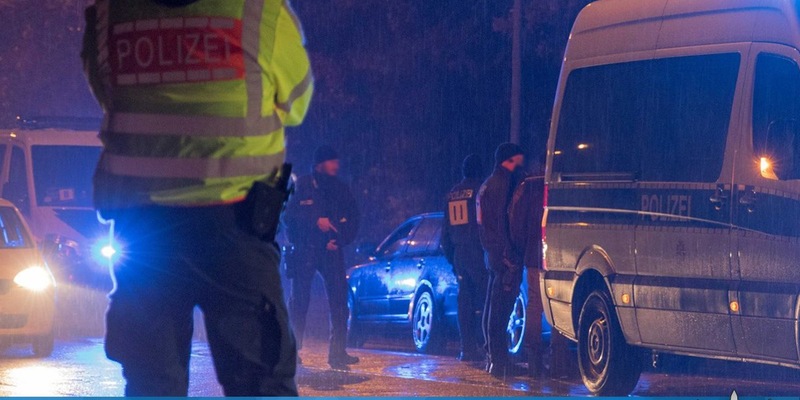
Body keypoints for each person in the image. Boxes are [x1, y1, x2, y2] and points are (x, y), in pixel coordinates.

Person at [81, 0, 312, 396]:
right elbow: (296, 104)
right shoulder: (259, 12)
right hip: (237, 227)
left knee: (152, 382)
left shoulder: (111, 13)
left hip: (145, 232)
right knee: (260, 382)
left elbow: (108, 97)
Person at [283, 146, 361, 370]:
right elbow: (289, 217)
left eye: (336, 161)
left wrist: (340, 239)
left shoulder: (340, 188)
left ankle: (338, 352)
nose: (336, 165)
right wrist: (315, 222)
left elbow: (354, 217)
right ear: (319, 164)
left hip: (331, 250)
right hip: (307, 250)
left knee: (339, 300)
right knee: (299, 302)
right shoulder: (303, 186)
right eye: (331, 161)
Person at [478, 142, 525, 379]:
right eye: (518, 160)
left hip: (492, 253)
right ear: (508, 160)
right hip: (503, 254)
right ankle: (498, 360)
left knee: (493, 304)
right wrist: (509, 254)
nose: (521, 164)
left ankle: (493, 356)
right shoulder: (503, 185)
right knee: (500, 308)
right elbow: (502, 222)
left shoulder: (487, 184)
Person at [441, 154, 487, 362]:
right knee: (485, 300)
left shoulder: (452, 193)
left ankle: (466, 348)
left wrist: (452, 257)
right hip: (477, 251)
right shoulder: (480, 190)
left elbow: (445, 231)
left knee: (465, 301)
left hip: (459, 252)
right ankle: (487, 345)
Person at [508, 172, 546, 377]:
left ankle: (534, 360)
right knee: (560, 303)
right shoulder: (559, 180)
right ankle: (561, 361)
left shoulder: (529, 186)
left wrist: (522, 247)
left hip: (533, 255)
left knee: (534, 304)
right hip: (559, 253)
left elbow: (515, 221)